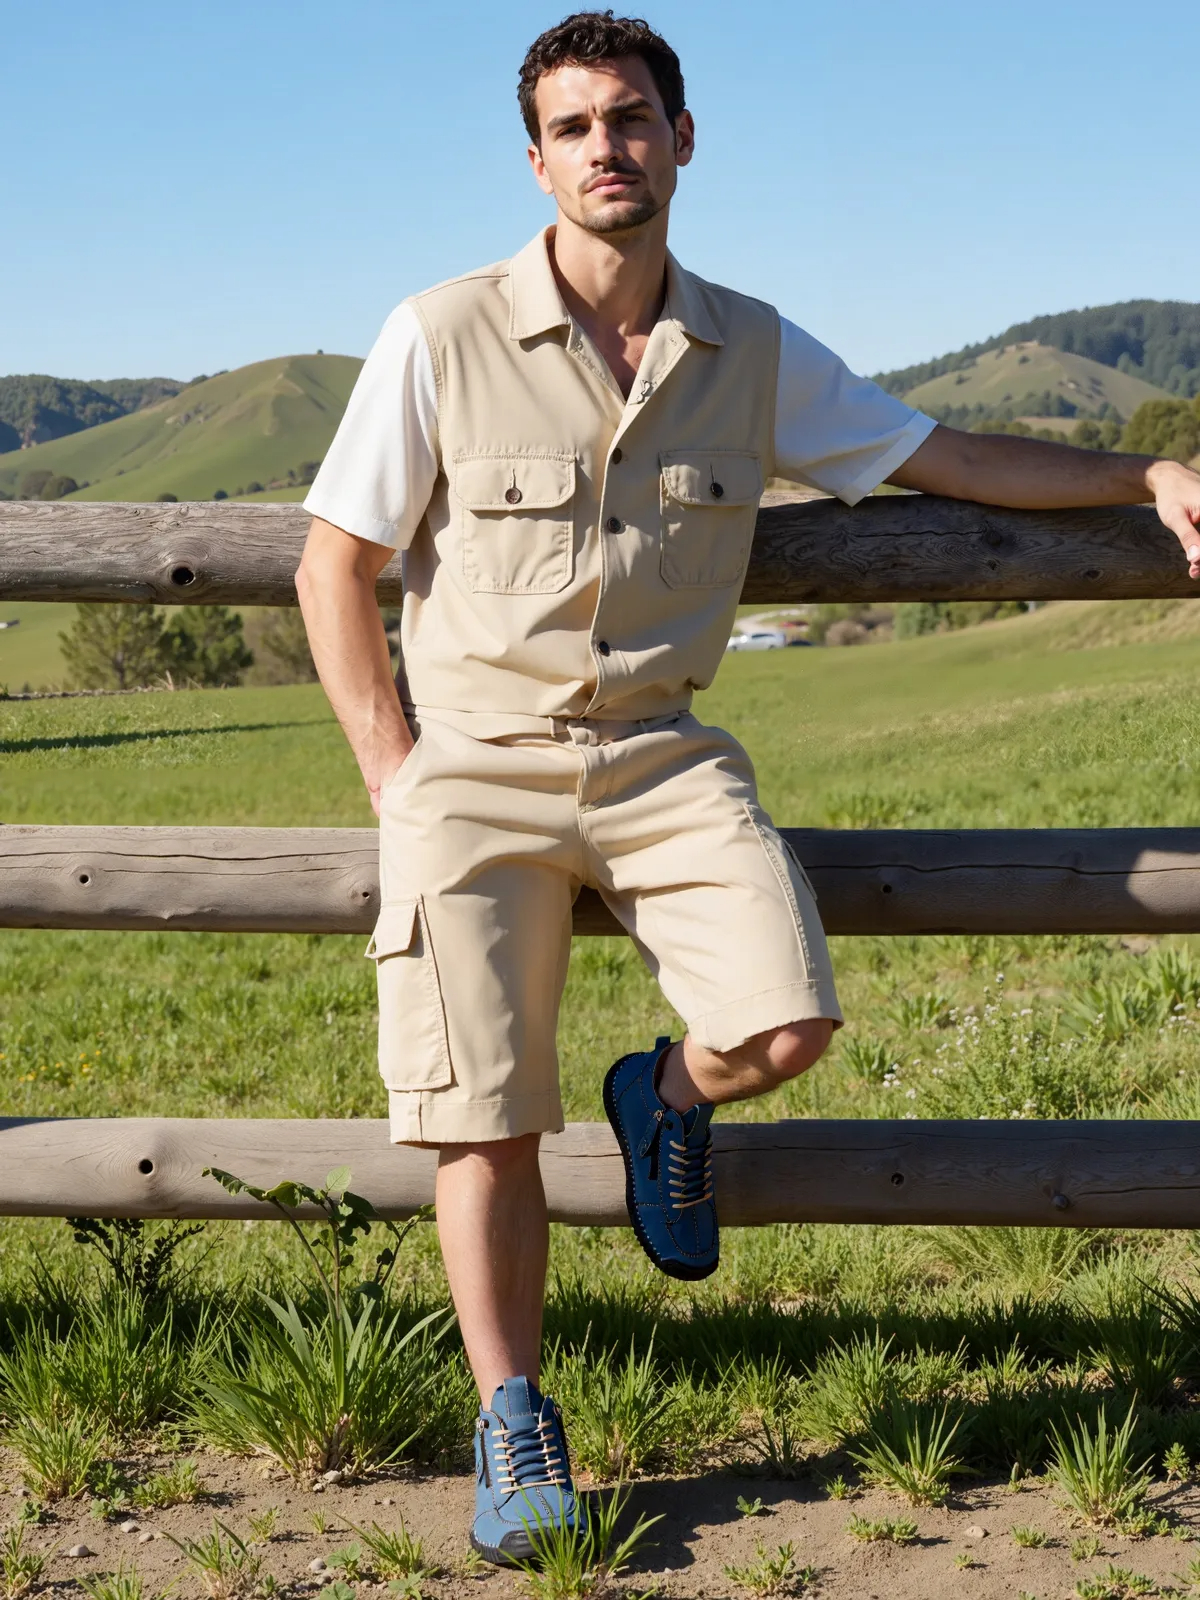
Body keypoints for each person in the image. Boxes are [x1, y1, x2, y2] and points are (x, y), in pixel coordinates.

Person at [296, 10, 1200, 1565]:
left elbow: (948, 458)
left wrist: (1145, 474)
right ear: (537, 161)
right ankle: (513, 1416)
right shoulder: (437, 333)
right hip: (476, 768)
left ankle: (664, 1098)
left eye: (631, 118)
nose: (607, 147)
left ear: (682, 138)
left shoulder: (752, 349)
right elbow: (336, 564)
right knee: (482, 1119)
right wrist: (397, 773)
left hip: (661, 753)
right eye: (575, 127)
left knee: (789, 1024)